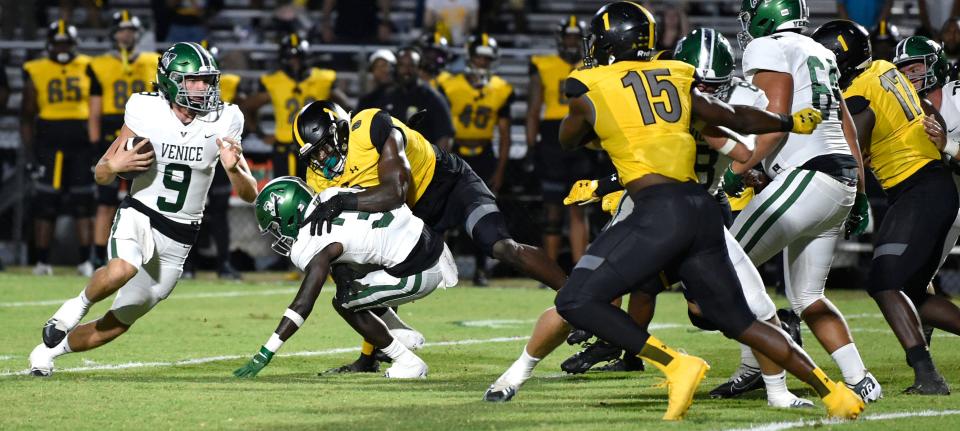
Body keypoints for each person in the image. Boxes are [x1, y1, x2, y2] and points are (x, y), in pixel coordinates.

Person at [551, 2, 863, 421]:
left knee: (579, 297)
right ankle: (832, 392)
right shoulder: (678, 81)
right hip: (702, 212)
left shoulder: (611, 85)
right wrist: (786, 124)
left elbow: (573, 140)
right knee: (732, 315)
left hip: (668, 210)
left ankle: (684, 366)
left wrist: (596, 130)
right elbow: (735, 124)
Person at [487, 27, 810, 410]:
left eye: (712, 85)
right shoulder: (661, 83)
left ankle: (777, 391)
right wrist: (610, 180)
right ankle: (519, 372)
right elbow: (622, 136)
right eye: (698, 83)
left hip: (700, 208)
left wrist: (719, 132)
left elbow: (742, 149)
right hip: (649, 204)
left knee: (751, 310)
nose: (703, 91)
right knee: (579, 297)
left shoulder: (735, 100)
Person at [28, 42, 258, 377]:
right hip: (141, 213)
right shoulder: (145, 110)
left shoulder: (226, 119)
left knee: (119, 321)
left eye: (206, 80)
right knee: (123, 268)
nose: (203, 88)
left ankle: (48, 352)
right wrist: (115, 164)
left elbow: (249, 194)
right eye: (192, 80)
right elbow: (101, 173)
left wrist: (234, 168)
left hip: (180, 235)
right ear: (169, 80)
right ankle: (71, 309)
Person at [295, 100, 567, 371]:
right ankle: (372, 357)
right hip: (410, 212)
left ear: (341, 130)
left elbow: (395, 192)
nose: (323, 160)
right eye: (315, 155)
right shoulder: (318, 179)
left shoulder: (370, 126)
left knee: (501, 247)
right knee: (359, 272)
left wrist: (343, 201)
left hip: (449, 186)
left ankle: (575, 296)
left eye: (325, 148)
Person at [717, 0, 880, 403]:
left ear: (767, 14)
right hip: (838, 178)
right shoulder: (820, 51)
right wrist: (859, 194)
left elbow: (776, 121)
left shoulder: (769, 46)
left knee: (724, 265)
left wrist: (734, 173)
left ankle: (759, 371)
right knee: (807, 296)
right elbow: (847, 130)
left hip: (808, 177)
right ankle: (861, 380)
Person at [234, 178, 458, 379]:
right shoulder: (329, 195)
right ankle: (400, 330)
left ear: (289, 214)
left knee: (344, 301)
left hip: (421, 270)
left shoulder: (309, 242)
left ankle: (408, 362)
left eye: (276, 226)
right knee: (344, 272)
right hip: (432, 242)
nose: (279, 233)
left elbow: (303, 305)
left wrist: (266, 351)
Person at [885, 34, 960, 393]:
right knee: (911, 281)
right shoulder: (902, 106)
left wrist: (949, 146)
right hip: (950, 203)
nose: (910, 76)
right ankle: (921, 330)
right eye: (904, 70)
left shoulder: (957, 95)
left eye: (916, 68)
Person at [437, 32, 514, 285]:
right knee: (444, 211)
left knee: (486, 214)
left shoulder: (500, 89)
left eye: (487, 59)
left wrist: (501, 170)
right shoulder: (449, 84)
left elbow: (504, 134)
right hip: (456, 152)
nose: (482, 63)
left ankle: (482, 270)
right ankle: (439, 268)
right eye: (479, 58)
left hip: (484, 154)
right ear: (470, 58)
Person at [21, 20, 96, 277]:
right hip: (50, 145)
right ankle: (42, 262)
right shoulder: (36, 69)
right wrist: (31, 154)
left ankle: (85, 261)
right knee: (45, 204)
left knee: (84, 203)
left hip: (81, 145)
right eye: (59, 42)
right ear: (49, 44)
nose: (62, 47)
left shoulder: (88, 66)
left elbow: (96, 107)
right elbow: (27, 114)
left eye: (67, 43)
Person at [88, 10, 160, 270]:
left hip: (144, 133)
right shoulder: (98, 64)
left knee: (145, 199)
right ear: (113, 33)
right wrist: (96, 147)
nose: (126, 34)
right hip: (112, 133)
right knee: (105, 200)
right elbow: (94, 109)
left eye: (130, 30)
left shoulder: (154, 61)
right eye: (122, 29)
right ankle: (97, 256)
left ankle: (149, 258)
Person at [528, 16, 591, 271]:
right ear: (560, 39)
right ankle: (551, 270)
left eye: (576, 38)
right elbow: (533, 109)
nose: (572, 43)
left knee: (579, 208)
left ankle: (579, 269)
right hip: (552, 141)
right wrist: (532, 148)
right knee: (552, 210)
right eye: (569, 37)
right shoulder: (542, 65)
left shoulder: (592, 67)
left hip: (583, 138)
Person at [242, 33, 349, 180]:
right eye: (291, 58)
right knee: (287, 195)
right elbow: (248, 106)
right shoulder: (274, 81)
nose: (295, 63)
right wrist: (260, 134)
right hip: (285, 147)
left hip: (318, 147)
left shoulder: (322, 79)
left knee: (319, 193)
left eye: (298, 58)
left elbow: (346, 106)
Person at [182, 39, 245, 279]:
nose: (202, 85)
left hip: (217, 153)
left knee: (219, 211)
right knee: (189, 210)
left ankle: (224, 262)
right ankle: (186, 264)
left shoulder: (229, 91)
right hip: (191, 152)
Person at [359, 46, 455, 151]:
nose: (406, 70)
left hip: (423, 162)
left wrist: (437, 164)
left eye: (411, 65)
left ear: (419, 68)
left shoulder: (432, 97)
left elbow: (445, 136)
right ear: (395, 67)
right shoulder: (384, 96)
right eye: (402, 65)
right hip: (390, 163)